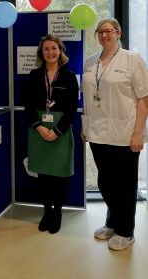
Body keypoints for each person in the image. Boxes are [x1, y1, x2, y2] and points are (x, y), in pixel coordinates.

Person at [81, 18, 148, 251]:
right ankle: (112, 222)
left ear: (118, 33)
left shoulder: (132, 60)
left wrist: (138, 133)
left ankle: (125, 231)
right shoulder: (91, 61)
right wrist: (84, 126)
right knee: (106, 182)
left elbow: (143, 99)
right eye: (100, 32)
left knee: (125, 184)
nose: (104, 35)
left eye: (109, 31)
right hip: (97, 133)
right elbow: (89, 99)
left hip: (124, 133)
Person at [25, 34, 79, 234]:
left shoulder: (69, 77)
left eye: (54, 48)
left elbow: (73, 109)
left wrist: (56, 131)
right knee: (43, 175)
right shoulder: (33, 75)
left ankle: (57, 213)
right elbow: (29, 106)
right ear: (41, 52)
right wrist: (39, 127)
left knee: (59, 176)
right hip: (38, 130)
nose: (50, 52)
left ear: (60, 51)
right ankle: (47, 212)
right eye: (46, 49)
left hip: (61, 132)